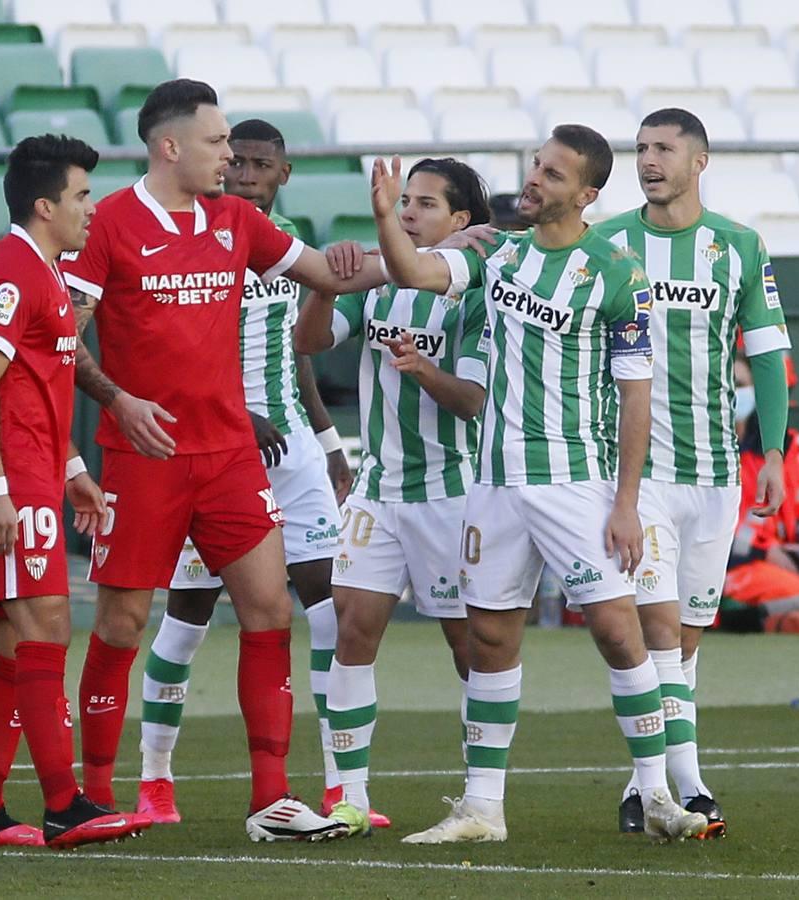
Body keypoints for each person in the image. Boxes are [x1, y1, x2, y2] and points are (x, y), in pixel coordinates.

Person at [61, 78, 397, 842]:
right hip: (144, 458)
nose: (230, 158)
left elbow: (330, 274)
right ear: (168, 146)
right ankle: (89, 796)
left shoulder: (236, 221)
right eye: (217, 144)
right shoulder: (109, 224)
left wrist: (427, 255)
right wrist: (117, 400)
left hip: (231, 460)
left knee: (269, 611)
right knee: (121, 622)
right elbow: (62, 335)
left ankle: (271, 799)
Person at [370, 125, 707, 844]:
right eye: (533, 165)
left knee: (619, 634)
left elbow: (635, 396)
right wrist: (380, 219)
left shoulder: (616, 274)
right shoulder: (500, 251)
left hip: (575, 484)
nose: (533, 180)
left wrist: (624, 503)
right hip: (492, 484)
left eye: (551, 174)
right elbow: (414, 273)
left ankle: (653, 795)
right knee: (490, 637)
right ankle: (481, 809)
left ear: (584, 194)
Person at [133, 118, 353, 826]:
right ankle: (154, 776)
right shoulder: (197, 240)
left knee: (328, 610)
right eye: (238, 160)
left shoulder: (286, 249)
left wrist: (326, 441)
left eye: (262, 162)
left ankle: (338, 784)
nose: (245, 172)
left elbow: (299, 355)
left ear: (283, 174)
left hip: (289, 452)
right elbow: (176, 347)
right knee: (188, 619)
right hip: (210, 447)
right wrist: (231, 411)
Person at [0, 133, 150, 850]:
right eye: (80, 196)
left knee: (12, 644)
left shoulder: (46, 274)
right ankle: (66, 804)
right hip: (6, 480)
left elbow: (35, 390)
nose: (90, 210)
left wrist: (72, 475)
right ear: (44, 206)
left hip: (32, 472)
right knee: (45, 631)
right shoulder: (12, 272)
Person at [592, 108, 790, 838]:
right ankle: (685, 787)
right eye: (639, 148)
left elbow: (765, 353)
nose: (647, 160)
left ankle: (643, 782)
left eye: (663, 149)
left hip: (714, 476)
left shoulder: (737, 246)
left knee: (687, 637)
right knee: (658, 628)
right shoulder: (606, 243)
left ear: (698, 161)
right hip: (635, 476)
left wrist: (770, 452)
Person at [292, 157, 493, 836]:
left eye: (426, 204)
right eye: (403, 201)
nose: (408, 212)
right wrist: (325, 286)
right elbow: (309, 341)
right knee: (351, 631)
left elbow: (469, 401)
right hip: (377, 491)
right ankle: (346, 797)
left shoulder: (471, 293)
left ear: (461, 221)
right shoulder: (375, 282)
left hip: (450, 496)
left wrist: (423, 370)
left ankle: (479, 796)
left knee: (468, 646)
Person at [723, 355, 799, 630]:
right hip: (734, 566)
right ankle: (733, 622)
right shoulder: (708, 451)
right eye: (727, 383)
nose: (733, 391)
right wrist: (766, 553)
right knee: (794, 594)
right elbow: (710, 532)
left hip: (785, 558)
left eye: (740, 384)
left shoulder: (780, 446)